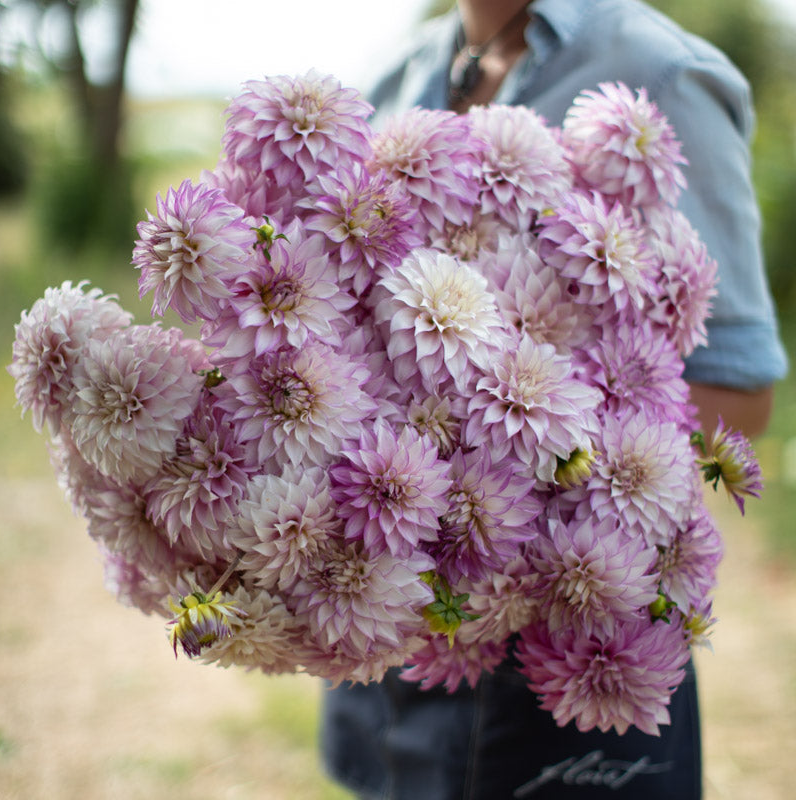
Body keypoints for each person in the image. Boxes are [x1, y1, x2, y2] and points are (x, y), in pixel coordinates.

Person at [320, 1, 788, 798]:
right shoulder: (398, 76)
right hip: (390, 626)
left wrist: (522, 462)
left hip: (570, 644)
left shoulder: (660, 74)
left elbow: (740, 393)